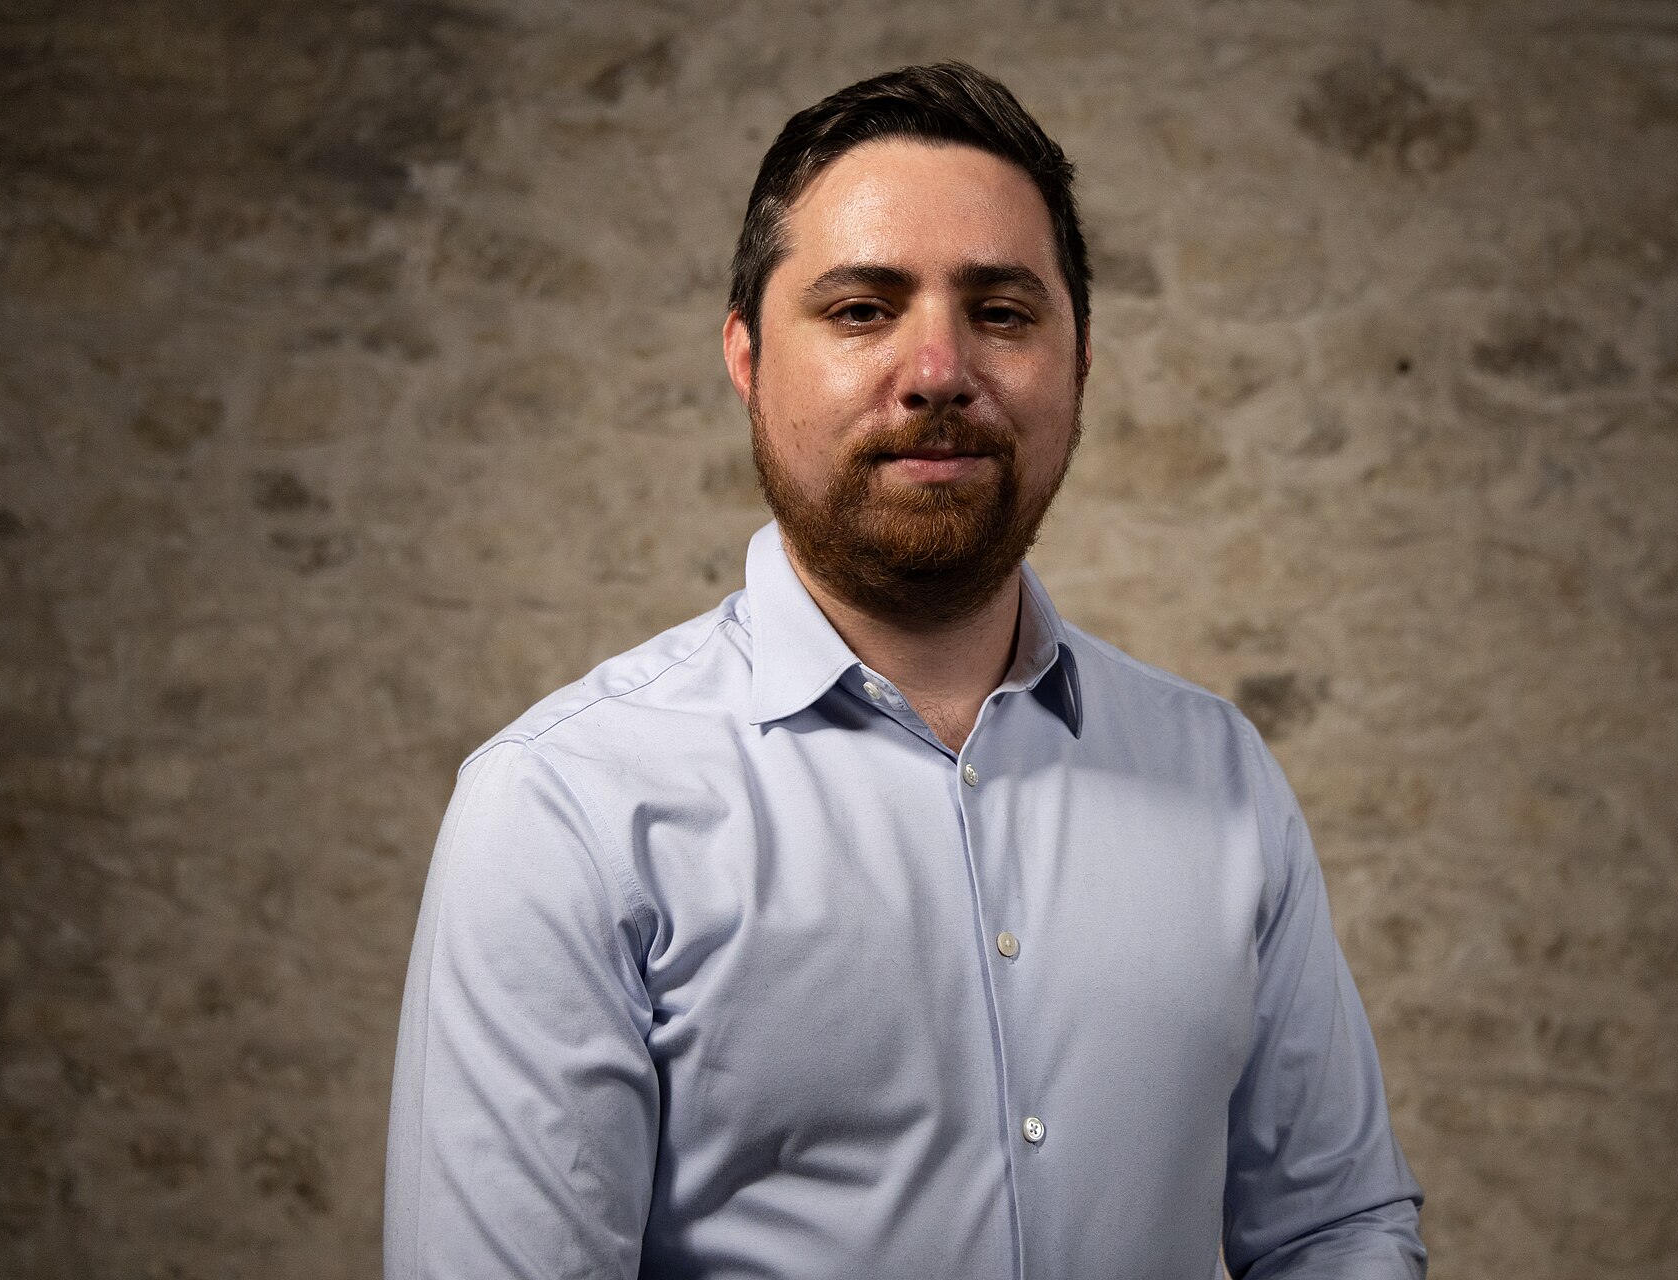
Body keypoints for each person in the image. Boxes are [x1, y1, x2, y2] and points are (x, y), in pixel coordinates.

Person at [384, 61, 1425, 1279]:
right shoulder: (565, 810)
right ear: (746, 358)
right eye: (863, 309)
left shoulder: (1221, 775)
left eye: (1001, 310)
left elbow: (1335, 1227)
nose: (938, 371)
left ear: (1080, 356)